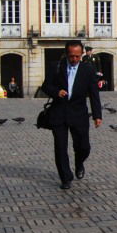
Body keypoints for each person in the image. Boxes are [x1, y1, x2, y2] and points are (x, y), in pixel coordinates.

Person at [41, 40, 103, 190]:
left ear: (81, 54)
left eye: (77, 56)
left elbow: (94, 94)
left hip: (79, 113)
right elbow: (45, 86)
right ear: (66, 54)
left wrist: (97, 115)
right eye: (71, 56)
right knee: (60, 147)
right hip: (59, 113)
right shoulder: (56, 66)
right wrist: (56, 92)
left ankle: (79, 162)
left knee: (84, 147)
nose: (74, 59)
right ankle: (65, 177)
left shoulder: (87, 69)